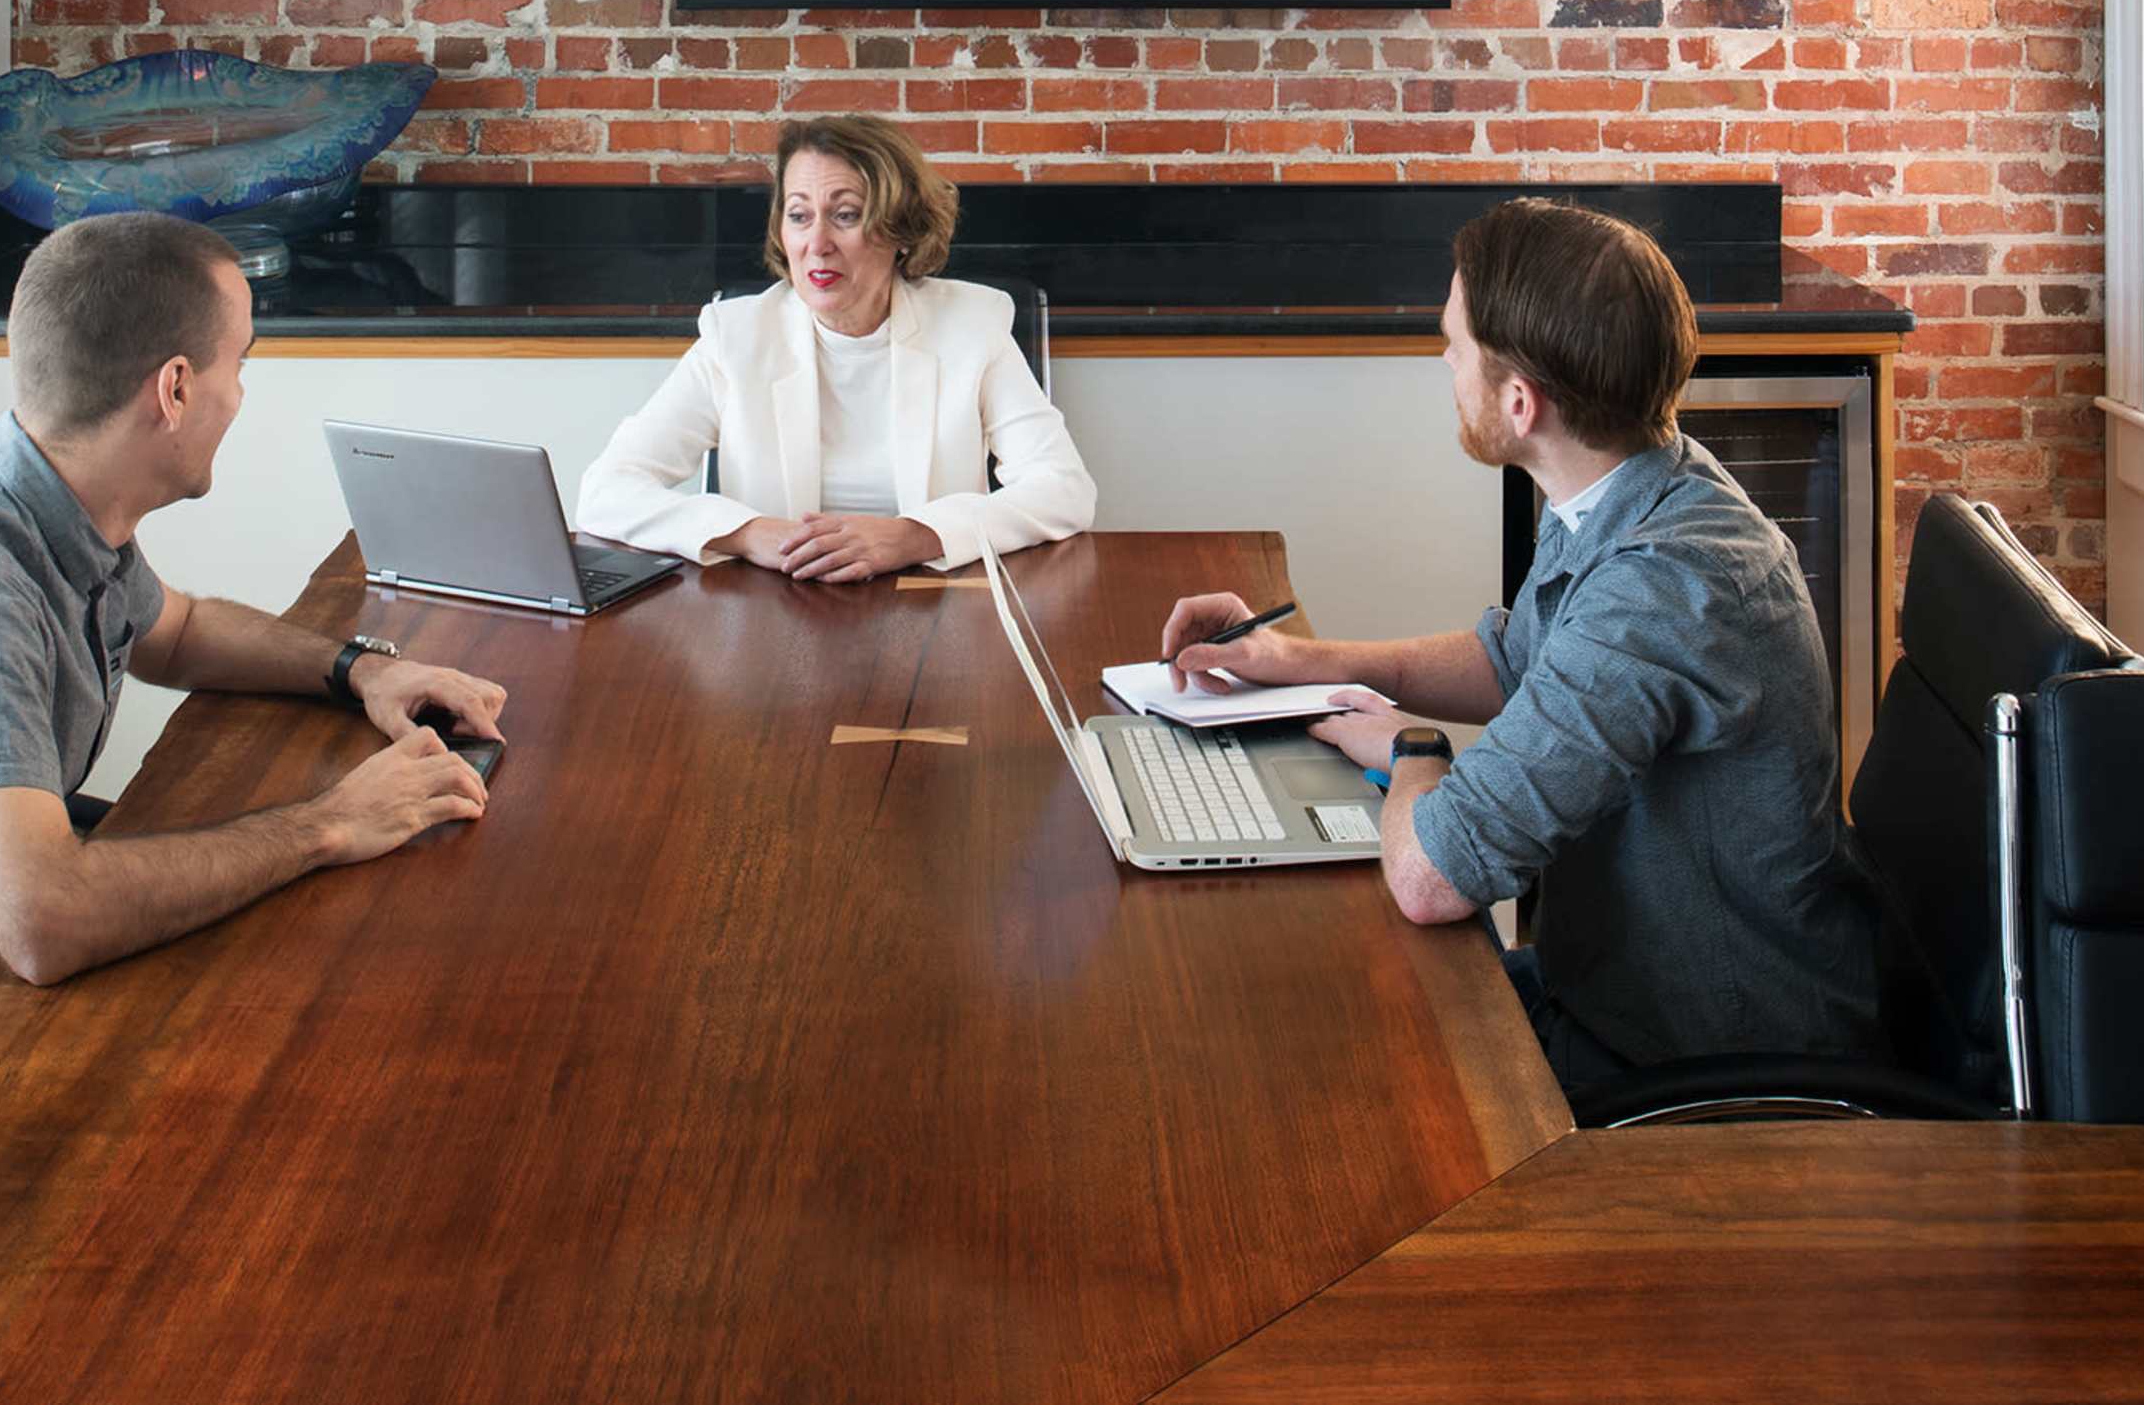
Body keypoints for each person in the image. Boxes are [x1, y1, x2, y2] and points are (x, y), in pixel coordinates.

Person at [1160, 197, 1879, 1090]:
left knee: (1311, 1063)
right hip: (1612, 986)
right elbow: (1516, 659)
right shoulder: (1637, 483)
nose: (1446, 363)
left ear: (1518, 401)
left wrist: (1411, 749)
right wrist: (1298, 661)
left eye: (1455, 346)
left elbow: (1432, 879)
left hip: (1708, 1053)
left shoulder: (1659, 592)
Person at [0, 210, 506, 993]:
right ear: (175, 388)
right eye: (239, 365)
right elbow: (46, 920)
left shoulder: (52, 492)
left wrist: (360, 672)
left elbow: (175, 632)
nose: (242, 397)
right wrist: (332, 821)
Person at [574, 114, 1093, 581]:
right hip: (774, 615)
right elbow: (605, 491)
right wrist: (749, 533)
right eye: (799, 216)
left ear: (900, 230)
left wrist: (913, 535)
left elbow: (1064, 489)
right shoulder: (735, 335)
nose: (816, 243)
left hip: (932, 605)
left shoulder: (973, 325)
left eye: (845, 215)